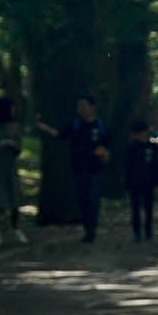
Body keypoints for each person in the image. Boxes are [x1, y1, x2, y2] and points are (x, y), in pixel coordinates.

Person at [38, 95, 108, 243]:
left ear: (92, 107)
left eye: (83, 106)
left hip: (95, 168)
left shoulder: (100, 126)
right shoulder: (75, 125)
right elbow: (61, 135)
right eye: (79, 106)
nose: (81, 109)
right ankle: (87, 228)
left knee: (93, 199)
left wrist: (104, 154)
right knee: (82, 199)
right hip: (79, 168)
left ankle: (92, 228)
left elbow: (108, 144)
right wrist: (46, 129)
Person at [0, 96, 26, 245]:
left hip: (10, 165)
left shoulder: (15, 127)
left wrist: (11, 144)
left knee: (14, 197)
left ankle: (16, 228)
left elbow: (19, 148)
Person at [125, 120, 158, 242]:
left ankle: (148, 230)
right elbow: (127, 167)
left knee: (149, 208)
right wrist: (127, 183)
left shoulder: (153, 148)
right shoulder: (131, 148)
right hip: (135, 182)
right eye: (139, 133)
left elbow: (156, 166)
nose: (142, 135)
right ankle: (137, 232)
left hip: (149, 182)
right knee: (135, 209)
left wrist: (157, 183)